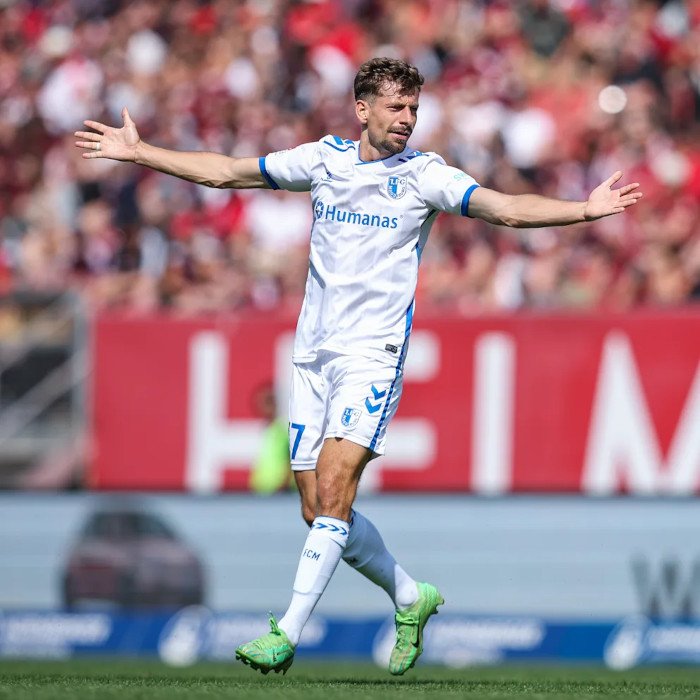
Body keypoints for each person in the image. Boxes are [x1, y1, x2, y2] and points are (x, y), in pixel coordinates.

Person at [75, 57, 642, 676]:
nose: (407, 118)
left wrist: (583, 210)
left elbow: (503, 207)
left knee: (336, 486)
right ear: (362, 109)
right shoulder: (324, 160)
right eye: (396, 107)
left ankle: (286, 632)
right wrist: (141, 152)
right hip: (312, 355)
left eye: (414, 108)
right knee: (316, 508)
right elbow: (228, 172)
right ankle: (410, 596)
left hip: (373, 356)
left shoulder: (425, 175)